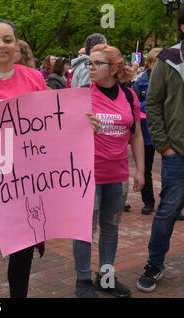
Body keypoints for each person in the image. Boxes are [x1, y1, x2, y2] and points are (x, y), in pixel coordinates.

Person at [0, 18, 99, 298]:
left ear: (16, 44)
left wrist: (83, 124)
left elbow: (51, 120)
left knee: (22, 256)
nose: (1, 45)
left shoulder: (34, 78)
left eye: (7, 39)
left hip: (28, 183)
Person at [73, 44, 144, 298]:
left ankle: (105, 277)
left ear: (114, 68)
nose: (90, 68)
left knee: (111, 227)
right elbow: (62, 134)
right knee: (84, 229)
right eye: (88, 63)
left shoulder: (129, 96)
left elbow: (135, 135)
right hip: (87, 175)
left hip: (118, 175)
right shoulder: (80, 95)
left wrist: (141, 170)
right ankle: (82, 279)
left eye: (96, 63)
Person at [137, 7, 184, 292]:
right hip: (176, 154)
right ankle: (155, 263)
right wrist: (165, 147)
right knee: (167, 212)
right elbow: (153, 105)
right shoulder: (168, 59)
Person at [132, 48, 163, 215]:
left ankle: (170, 203)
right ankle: (148, 202)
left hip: (167, 132)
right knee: (145, 168)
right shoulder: (140, 83)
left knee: (171, 170)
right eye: (156, 63)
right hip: (146, 133)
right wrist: (151, 107)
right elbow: (135, 107)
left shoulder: (171, 80)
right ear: (149, 64)